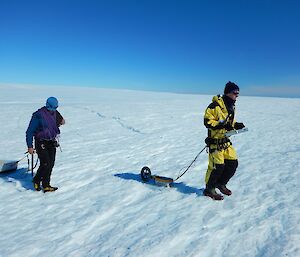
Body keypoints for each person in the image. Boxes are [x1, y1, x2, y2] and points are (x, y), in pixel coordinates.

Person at [203, 81, 245, 200]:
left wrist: (236, 125)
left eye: (238, 93)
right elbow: (208, 122)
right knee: (218, 167)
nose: (237, 95)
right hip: (215, 143)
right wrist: (222, 126)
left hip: (225, 141)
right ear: (227, 93)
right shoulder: (214, 106)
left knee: (233, 164)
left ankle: (221, 184)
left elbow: (229, 123)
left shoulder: (231, 106)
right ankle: (209, 189)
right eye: (235, 93)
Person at [26, 97, 65, 192]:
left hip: (51, 141)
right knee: (45, 163)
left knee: (51, 164)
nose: (53, 110)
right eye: (52, 108)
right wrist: (30, 146)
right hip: (41, 142)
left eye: (55, 108)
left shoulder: (55, 112)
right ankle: (36, 180)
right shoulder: (38, 115)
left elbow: (61, 120)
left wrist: (62, 121)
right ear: (47, 105)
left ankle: (46, 185)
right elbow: (30, 131)